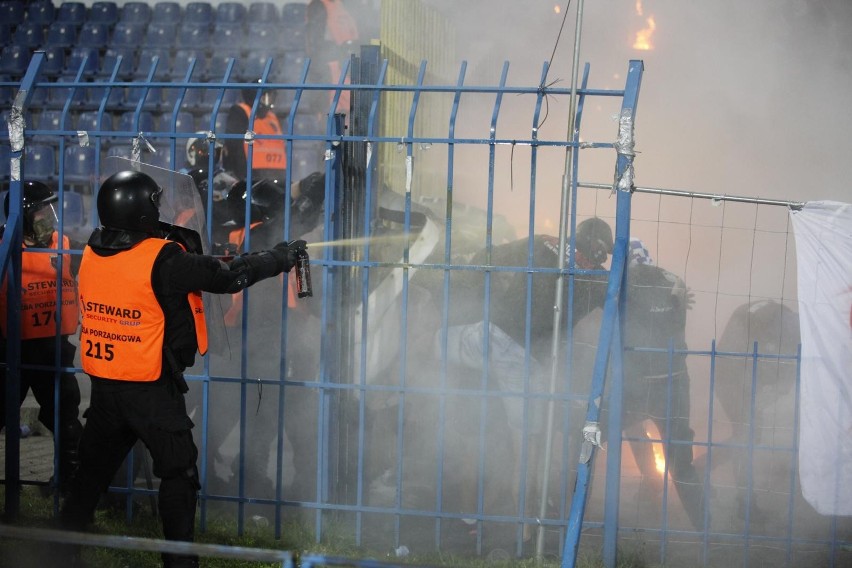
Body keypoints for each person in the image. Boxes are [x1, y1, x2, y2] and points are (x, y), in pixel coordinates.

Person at [58, 170, 308, 568]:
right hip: (149, 386)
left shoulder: (90, 248)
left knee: (92, 469)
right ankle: (179, 562)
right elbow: (227, 277)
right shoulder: (162, 259)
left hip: (106, 381)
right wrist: (278, 258)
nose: (159, 209)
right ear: (141, 212)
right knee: (178, 470)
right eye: (153, 204)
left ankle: (60, 546)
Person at [0, 180, 83, 494]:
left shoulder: (65, 244)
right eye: (41, 210)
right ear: (23, 215)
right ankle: (10, 488)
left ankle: (67, 483)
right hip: (9, 350)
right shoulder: (2, 244)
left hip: (53, 350)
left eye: (50, 208)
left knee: (64, 417)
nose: (49, 215)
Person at [620, 238, 706, 530]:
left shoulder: (619, 283)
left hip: (639, 384)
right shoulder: (673, 281)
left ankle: (652, 486)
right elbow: (677, 323)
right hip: (673, 383)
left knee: (593, 439)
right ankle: (705, 530)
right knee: (682, 463)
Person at [222, 82, 287, 183]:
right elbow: (234, 145)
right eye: (265, 98)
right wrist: (241, 176)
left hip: (277, 174)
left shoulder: (272, 117)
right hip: (251, 175)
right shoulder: (240, 112)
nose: (269, 102)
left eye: (271, 98)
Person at [305, 0, 360, 116]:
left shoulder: (343, 5)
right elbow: (315, 43)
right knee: (333, 114)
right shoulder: (318, 5)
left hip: (349, 65)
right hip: (332, 68)